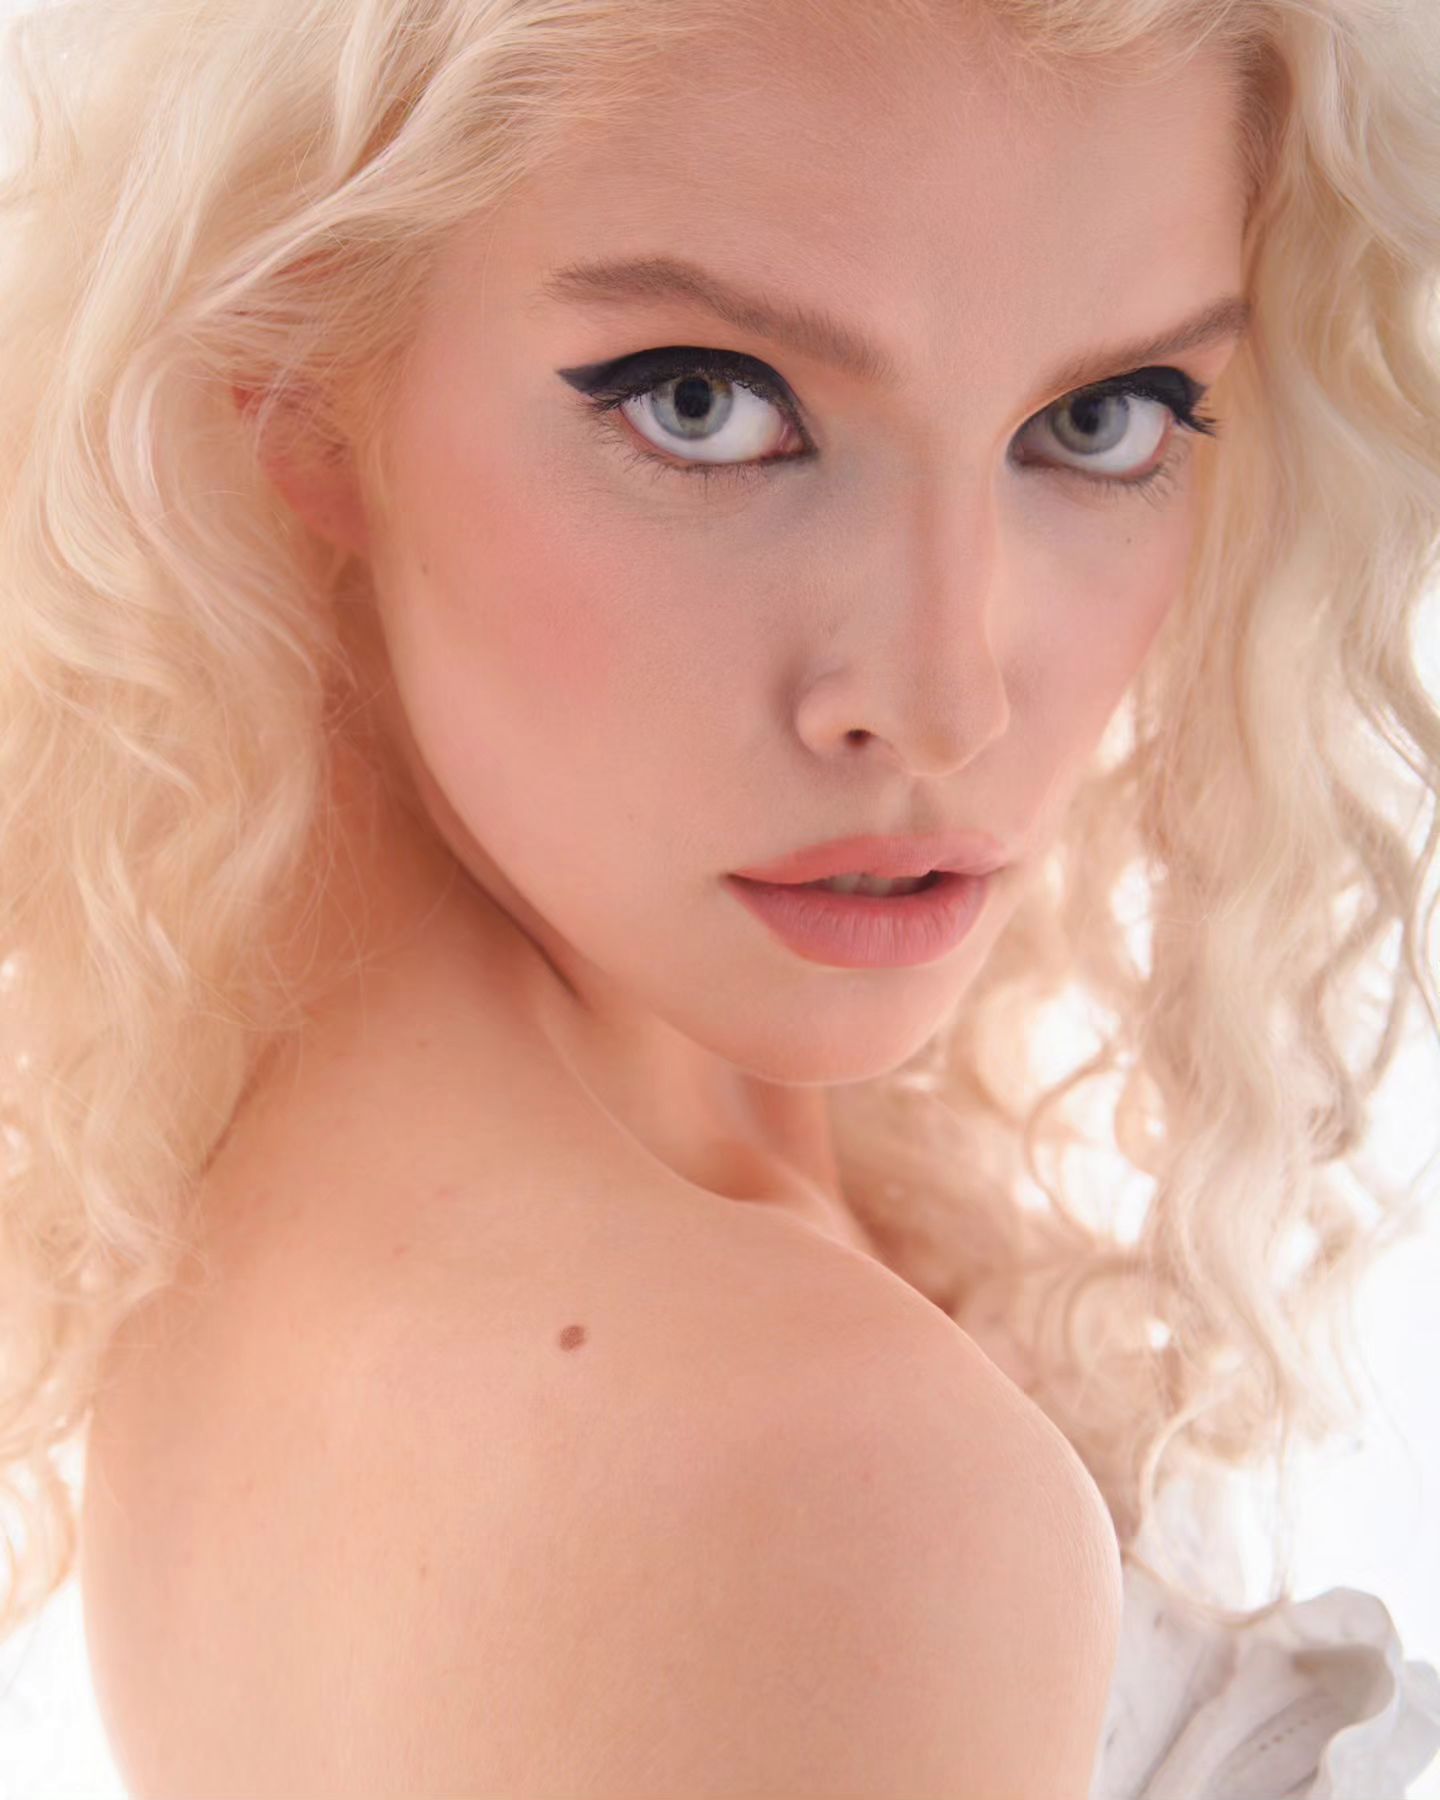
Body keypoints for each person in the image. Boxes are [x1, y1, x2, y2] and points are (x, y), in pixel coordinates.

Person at [0, 0, 1437, 1792]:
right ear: (301, 379)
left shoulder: (341, 1208)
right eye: (708, 404)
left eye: (1099, 417)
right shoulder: (797, 1470)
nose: (944, 703)